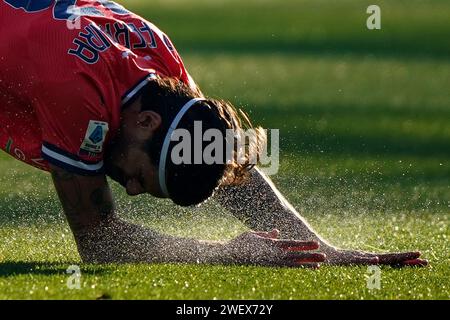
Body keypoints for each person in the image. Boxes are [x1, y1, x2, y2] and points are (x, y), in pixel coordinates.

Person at [0, 0, 426, 267]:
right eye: (140, 178)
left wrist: (316, 247)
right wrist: (226, 253)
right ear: (145, 123)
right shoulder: (77, 94)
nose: (128, 189)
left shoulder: (161, 65)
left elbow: (217, 155)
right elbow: (99, 242)